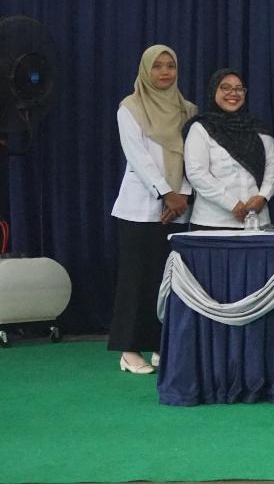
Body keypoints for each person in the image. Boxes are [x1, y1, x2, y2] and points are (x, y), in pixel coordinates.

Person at [110, 45, 197, 375]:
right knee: (137, 281)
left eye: (170, 66)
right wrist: (166, 193)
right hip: (140, 209)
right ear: (146, 70)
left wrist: (182, 195)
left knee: (170, 280)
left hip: (180, 209)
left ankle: (163, 344)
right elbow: (138, 157)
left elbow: (193, 156)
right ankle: (130, 350)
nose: (164, 72)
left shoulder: (188, 110)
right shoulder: (130, 108)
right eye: (157, 66)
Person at [184, 69, 274, 229]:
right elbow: (197, 173)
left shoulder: (256, 127)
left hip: (256, 221)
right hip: (212, 222)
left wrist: (263, 197)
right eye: (225, 87)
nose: (233, 93)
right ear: (213, 91)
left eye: (239, 89)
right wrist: (232, 204)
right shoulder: (201, 128)